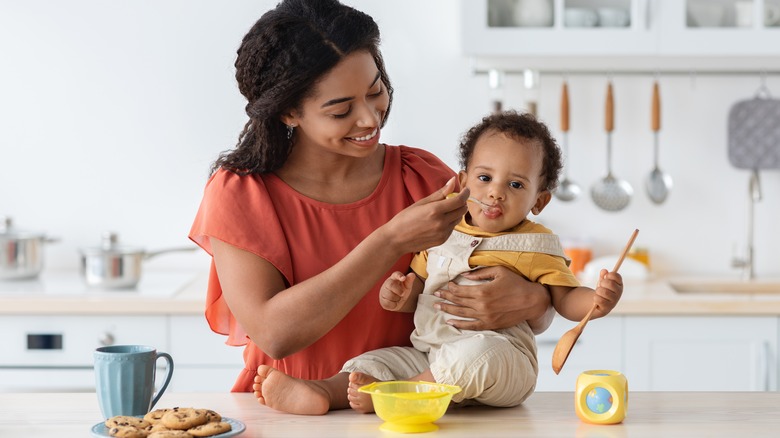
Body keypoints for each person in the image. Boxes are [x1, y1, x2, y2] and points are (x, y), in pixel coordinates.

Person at [188, 0, 554, 397]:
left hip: (409, 413)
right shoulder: (242, 194)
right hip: (287, 413)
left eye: (375, 91)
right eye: (341, 110)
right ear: (289, 112)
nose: (370, 118)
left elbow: (520, 273)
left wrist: (535, 300)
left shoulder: (421, 176)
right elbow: (274, 334)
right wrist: (390, 240)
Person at [253, 110, 624, 414]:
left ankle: (402, 396)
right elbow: (415, 291)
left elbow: (565, 300)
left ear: (538, 201)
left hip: (502, 359)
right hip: (428, 354)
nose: (495, 191)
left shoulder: (536, 242)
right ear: (462, 180)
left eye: (515, 185)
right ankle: (325, 392)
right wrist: (397, 293)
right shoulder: (442, 228)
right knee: (374, 362)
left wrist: (598, 301)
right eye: (484, 177)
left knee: (479, 354)